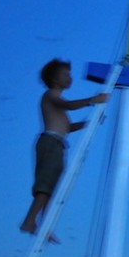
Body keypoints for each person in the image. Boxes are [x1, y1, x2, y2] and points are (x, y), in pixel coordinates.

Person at [18, 58, 110, 242]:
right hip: (50, 142)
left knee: (52, 188)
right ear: (54, 79)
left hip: (59, 145)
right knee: (45, 185)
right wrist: (92, 100)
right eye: (65, 74)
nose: (69, 78)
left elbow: (68, 127)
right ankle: (29, 221)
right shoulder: (50, 96)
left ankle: (45, 224)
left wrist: (90, 122)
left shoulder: (58, 101)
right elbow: (68, 105)